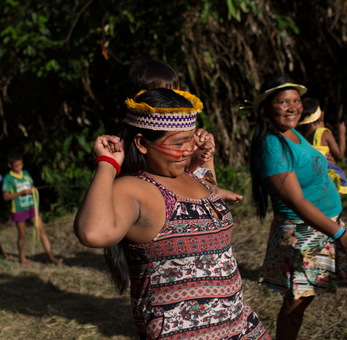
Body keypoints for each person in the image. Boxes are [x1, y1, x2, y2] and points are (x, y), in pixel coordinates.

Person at [74, 88, 271, 340]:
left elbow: (210, 186)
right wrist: (107, 165)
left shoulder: (190, 176)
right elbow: (93, 233)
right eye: (179, 143)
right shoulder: (136, 188)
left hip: (239, 324)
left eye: (190, 139)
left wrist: (204, 156)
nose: (188, 149)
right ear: (142, 143)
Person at [249, 75, 347, 340]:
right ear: (267, 108)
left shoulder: (292, 132)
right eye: (283, 102)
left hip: (329, 224)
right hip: (305, 234)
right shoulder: (272, 145)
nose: (293, 107)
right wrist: (340, 234)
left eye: (296, 101)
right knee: (296, 305)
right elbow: (296, 200)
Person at [129, 59, 242, 202]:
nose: (173, 101)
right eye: (163, 95)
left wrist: (206, 153)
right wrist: (195, 159)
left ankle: (212, 191)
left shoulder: (188, 132)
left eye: (176, 93)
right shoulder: (138, 138)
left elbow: (190, 166)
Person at [2, 152, 62, 265]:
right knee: (22, 234)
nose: (19, 167)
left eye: (21, 164)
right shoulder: (8, 178)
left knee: (41, 230)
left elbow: (31, 185)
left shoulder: (25, 173)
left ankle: (51, 256)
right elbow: (6, 196)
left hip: (32, 207)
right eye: (16, 166)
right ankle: (21, 256)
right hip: (19, 210)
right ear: (10, 165)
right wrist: (21, 193)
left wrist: (33, 189)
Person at [298, 97, 347, 194]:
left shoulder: (301, 136)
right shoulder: (324, 134)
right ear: (321, 116)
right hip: (323, 174)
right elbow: (339, 154)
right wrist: (341, 133)